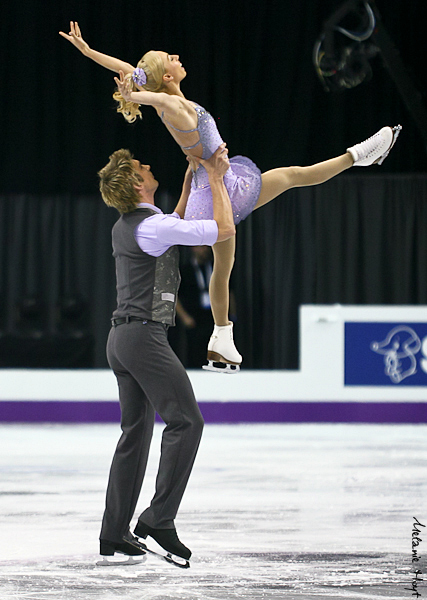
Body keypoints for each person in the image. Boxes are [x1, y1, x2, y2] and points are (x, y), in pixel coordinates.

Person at [59, 22, 402, 373]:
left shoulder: (172, 103)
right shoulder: (174, 106)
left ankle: (221, 340)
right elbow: (154, 93)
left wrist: (88, 52)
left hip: (212, 181)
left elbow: (128, 71)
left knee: (233, 254)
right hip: (217, 186)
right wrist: (134, 96)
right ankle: (360, 155)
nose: (176, 57)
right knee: (287, 184)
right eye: (169, 58)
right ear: (165, 76)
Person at [96, 143, 235, 567]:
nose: (149, 163)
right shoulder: (149, 228)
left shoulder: (136, 223)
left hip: (121, 340)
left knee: (134, 435)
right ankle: (158, 519)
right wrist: (214, 178)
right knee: (186, 421)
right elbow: (221, 231)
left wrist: (192, 178)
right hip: (142, 338)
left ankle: (115, 533)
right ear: (138, 183)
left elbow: (171, 221)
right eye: (142, 165)